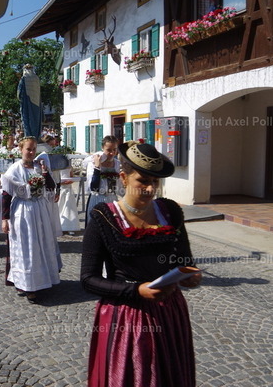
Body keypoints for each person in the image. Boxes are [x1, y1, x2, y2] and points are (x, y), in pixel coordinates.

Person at [80, 141, 201, 387]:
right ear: (124, 178)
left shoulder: (170, 211)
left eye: (155, 182)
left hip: (169, 312)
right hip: (127, 315)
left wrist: (190, 275)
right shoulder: (104, 217)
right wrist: (137, 290)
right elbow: (88, 279)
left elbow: (184, 259)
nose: (150, 189)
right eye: (143, 181)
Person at [1, 136, 62, 304]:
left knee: (41, 243)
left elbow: (50, 187)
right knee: (27, 246)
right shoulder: (14, 170)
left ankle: (43, 279)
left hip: (40, 209)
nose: (31, 152)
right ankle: (27, 284)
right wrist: (4, 219)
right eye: (28, 149)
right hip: (23, 210)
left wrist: (45, 172)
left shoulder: (39, 167)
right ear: (21, 149)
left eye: (34, 149)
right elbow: (6, 195)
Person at [85, 135, 120, 226]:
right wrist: (97, 167)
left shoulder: (117, 164)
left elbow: (119, 187)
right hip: (97, 198)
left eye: (114, 150)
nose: (112, 153)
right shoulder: (93, 163)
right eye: (109, 150)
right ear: (102, 148)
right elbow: (94, 187)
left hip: (112, 199)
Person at [17, 64, 42, 138]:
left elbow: (19, 92)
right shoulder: (36, 78)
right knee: (36, 119)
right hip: (37, 102)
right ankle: (36, 136)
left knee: (27, 119)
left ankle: (29, 136)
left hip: (27, 101)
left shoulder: (24, 78)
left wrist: (19, 98)